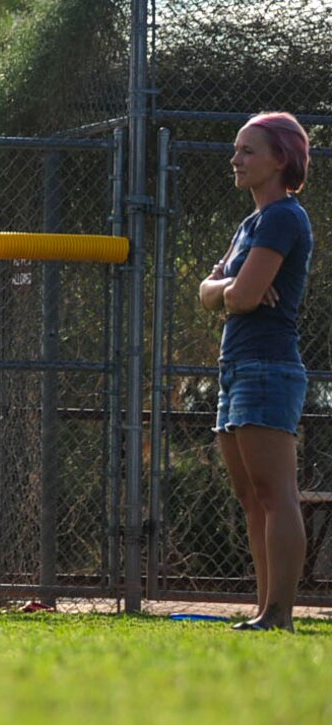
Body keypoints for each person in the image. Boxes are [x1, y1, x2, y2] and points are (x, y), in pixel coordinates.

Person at [198, 112, 313, 632]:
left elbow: (241, 295)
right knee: (251, 498)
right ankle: (263, 610)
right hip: (236, 366)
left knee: (275, 493)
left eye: (248, 151)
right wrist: (229, 289)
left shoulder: (285, 218)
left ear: (280, 159)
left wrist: (231, 289)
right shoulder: (252, 224)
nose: (235, 160)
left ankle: (280, 615)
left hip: (268, 367)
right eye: (236, 149)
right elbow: (211, 294)